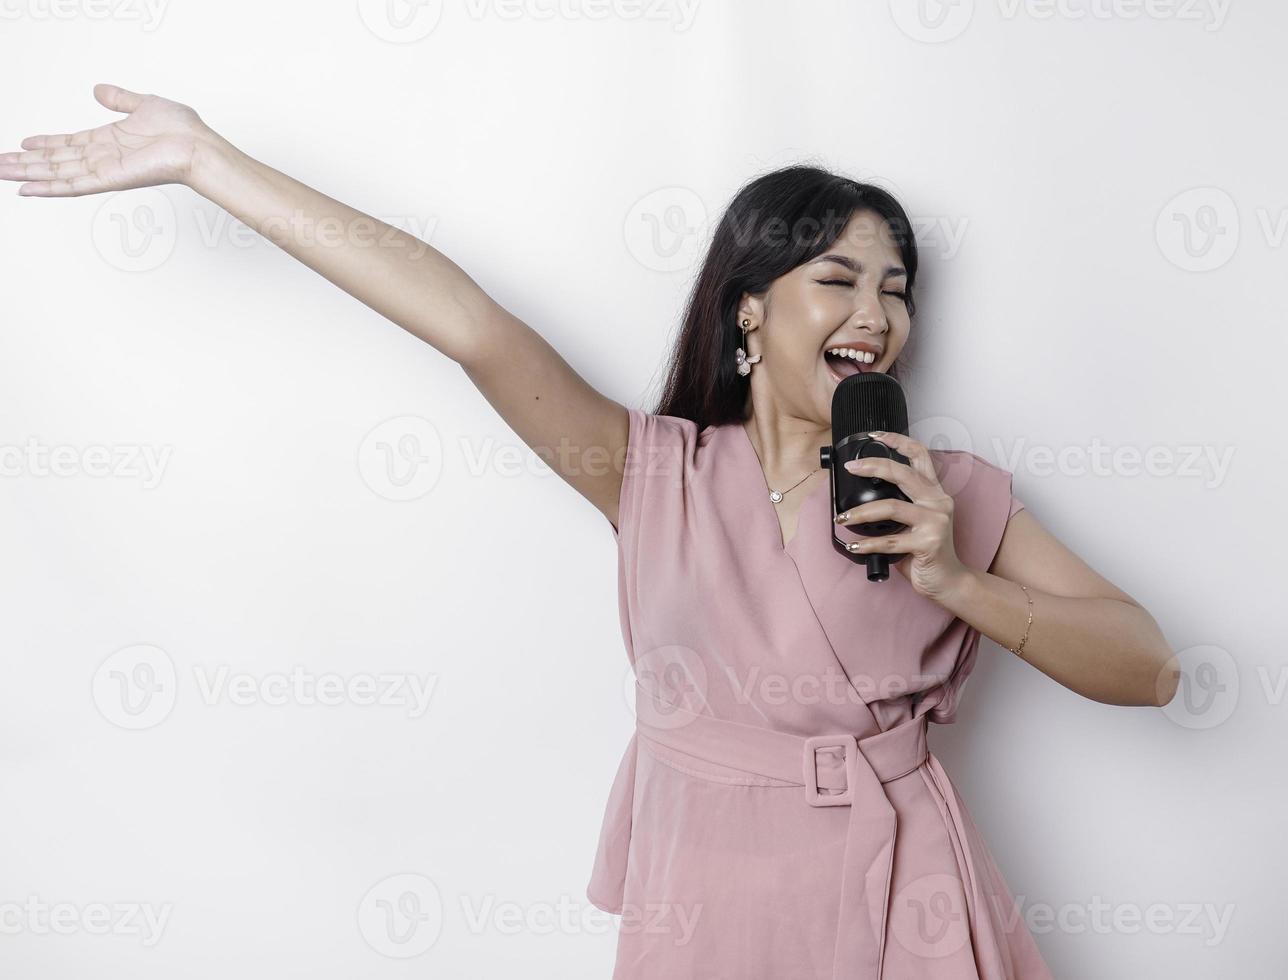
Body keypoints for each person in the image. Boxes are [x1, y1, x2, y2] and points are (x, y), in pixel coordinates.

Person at [2, 84, 1180, 979]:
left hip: (900, 888)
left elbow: (1151, 663)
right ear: (750, 309)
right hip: (708, 892)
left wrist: (956, 575)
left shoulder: (951, 489)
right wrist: (210, 162)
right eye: (840, 278)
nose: (878, 312)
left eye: (897, 285)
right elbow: (468, 321)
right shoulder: (649, 473)